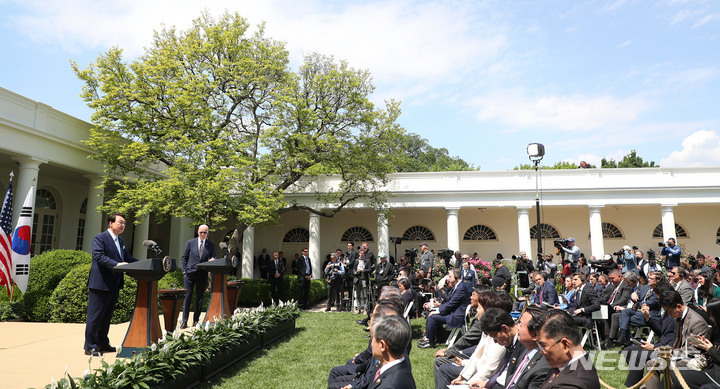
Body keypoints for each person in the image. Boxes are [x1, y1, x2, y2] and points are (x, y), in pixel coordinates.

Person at [84, 212, 138, 356]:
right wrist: (117, 264)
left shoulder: (119, 241)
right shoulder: (100, 238)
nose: (122, 225)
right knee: (95, 317)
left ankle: (102, 343)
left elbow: (126, 257)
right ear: (110, 223)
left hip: (114, 284)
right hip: (100, 284)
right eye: (120, 222)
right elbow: (99, 256)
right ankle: (90, 346)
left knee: (106, 317)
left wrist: (142, 264)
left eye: (124, 223)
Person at [536, 310, 600, 389]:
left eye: (544, 346)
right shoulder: (563, 364)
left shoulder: (570, 384)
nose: (541, 351)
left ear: (565, 344)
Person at [418, 268, 470, 349]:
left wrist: (438, 310)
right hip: (452, 312)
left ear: (456, 277)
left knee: (432, 317)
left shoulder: (461, 288)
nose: (448, 278)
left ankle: (431, 342)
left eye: (450, 276)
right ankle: (430, 338)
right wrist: (435, 309)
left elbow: (451, 304)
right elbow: (449, 301)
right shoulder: (458, 286)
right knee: (430, 312)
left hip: (456, 316)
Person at [180, 224, 216, 329]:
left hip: (202, 274)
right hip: (189, 274)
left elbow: (214, 256)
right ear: (198, 232)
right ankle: (184, 321)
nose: (202, 234)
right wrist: (184, 271)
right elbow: (184, 257)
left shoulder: (210, 245)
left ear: (207, 233)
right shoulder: (190, 243)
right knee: (187, 298)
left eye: (205, 232)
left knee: (199, 298)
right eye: (201, 232)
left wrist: (212, 260)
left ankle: (196, 321)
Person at [368, 315, 416, 389]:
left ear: (382, 345)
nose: (371, 343)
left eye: (372, 338)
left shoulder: (389, 386)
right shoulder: (401, 367)